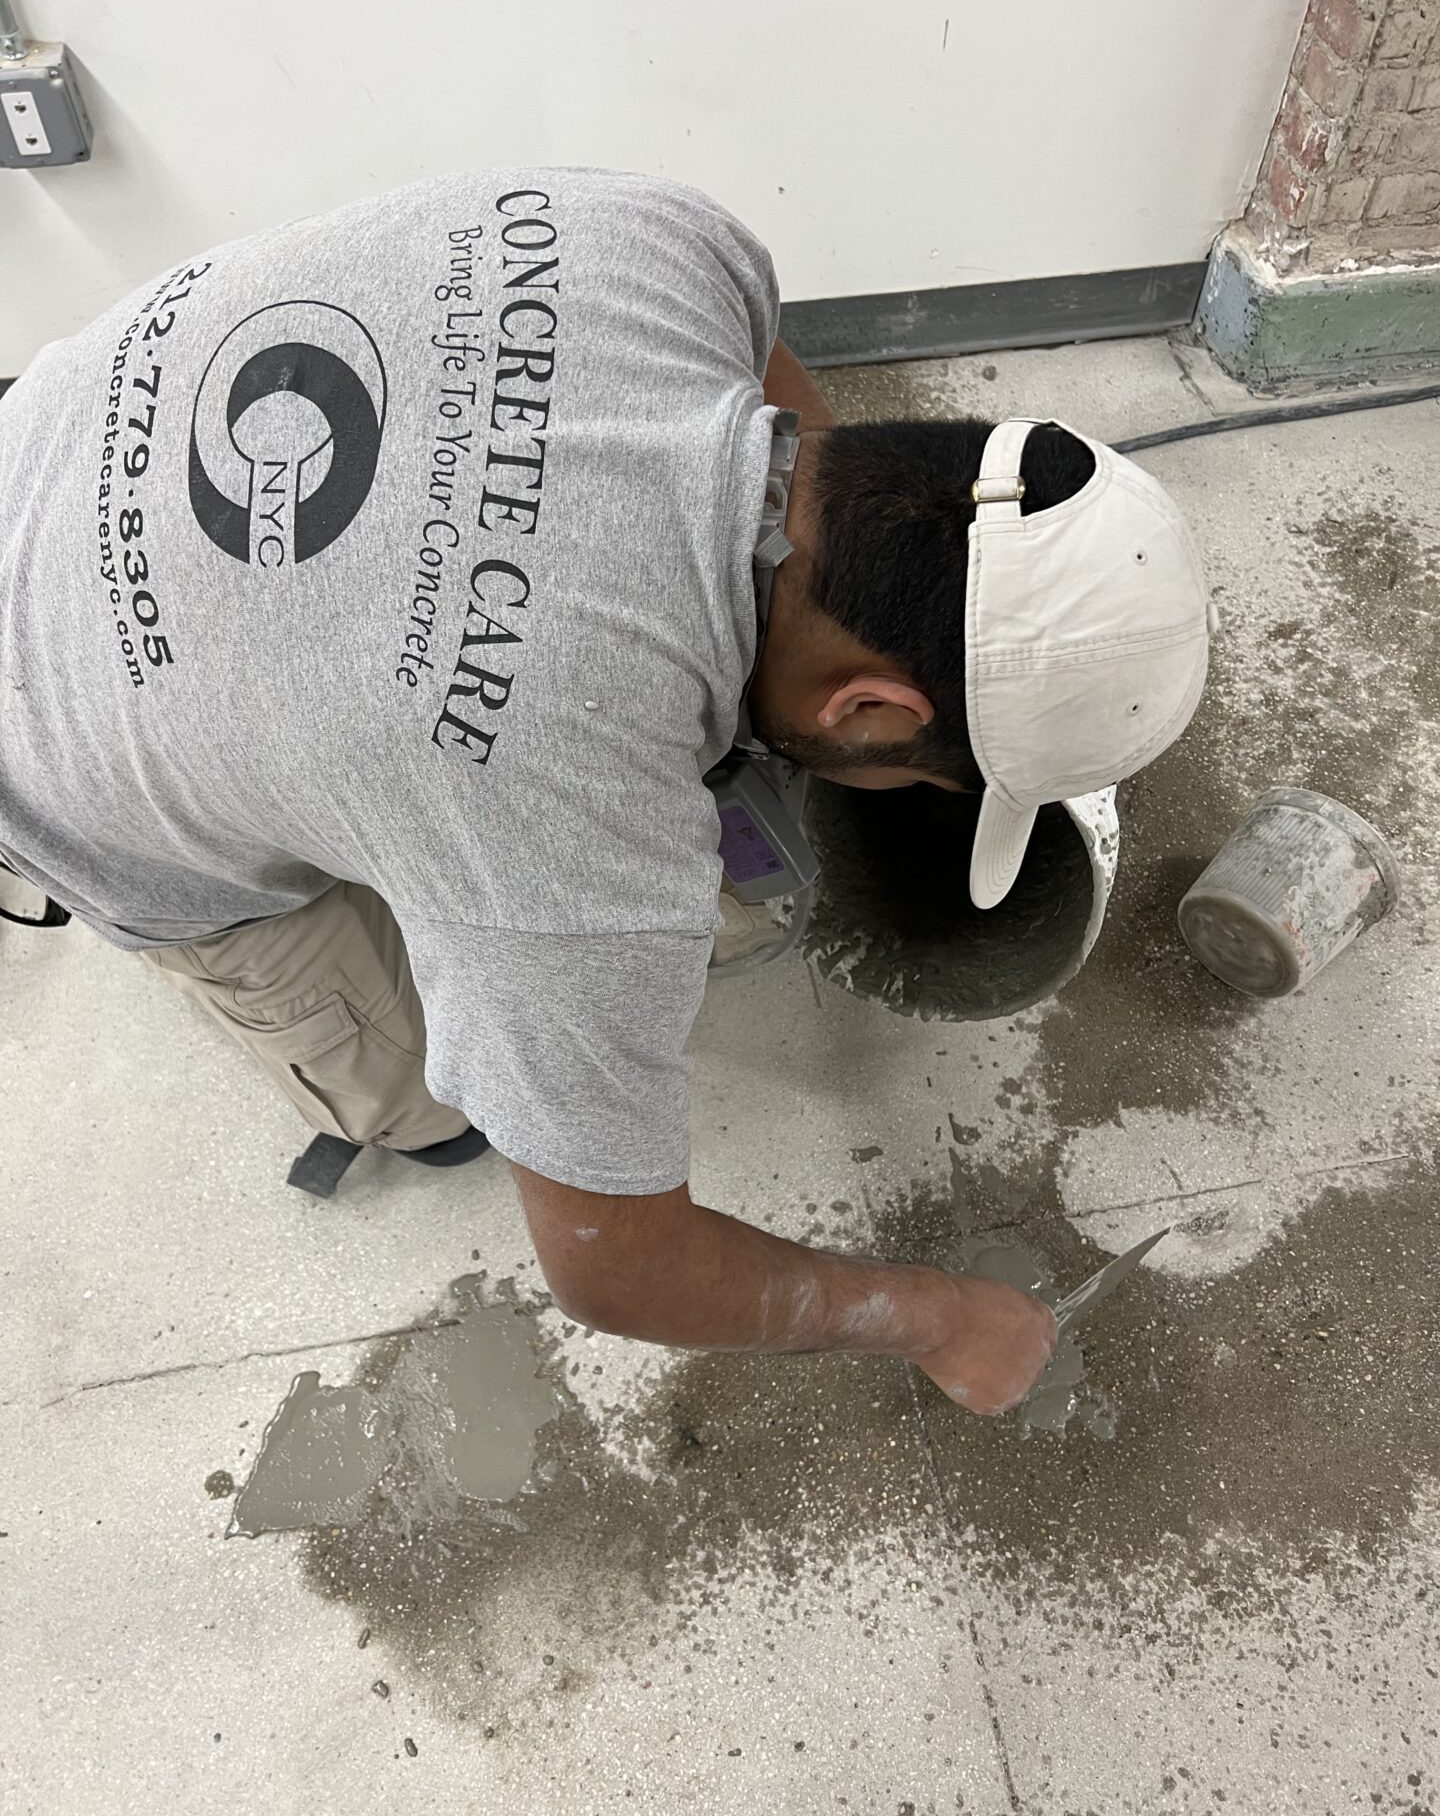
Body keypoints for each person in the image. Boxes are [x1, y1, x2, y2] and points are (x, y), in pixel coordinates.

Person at [0, 170, 1211, 1418]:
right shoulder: (570, 836)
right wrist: (945, 1320)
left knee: (420, 811)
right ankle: (383, 1052)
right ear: (868, 710)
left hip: (44, 441)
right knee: (438, 1107)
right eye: (923, 771)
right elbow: (621, 1270)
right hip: (43, 745)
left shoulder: (666, 245)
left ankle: (351, 793)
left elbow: (790, 419)